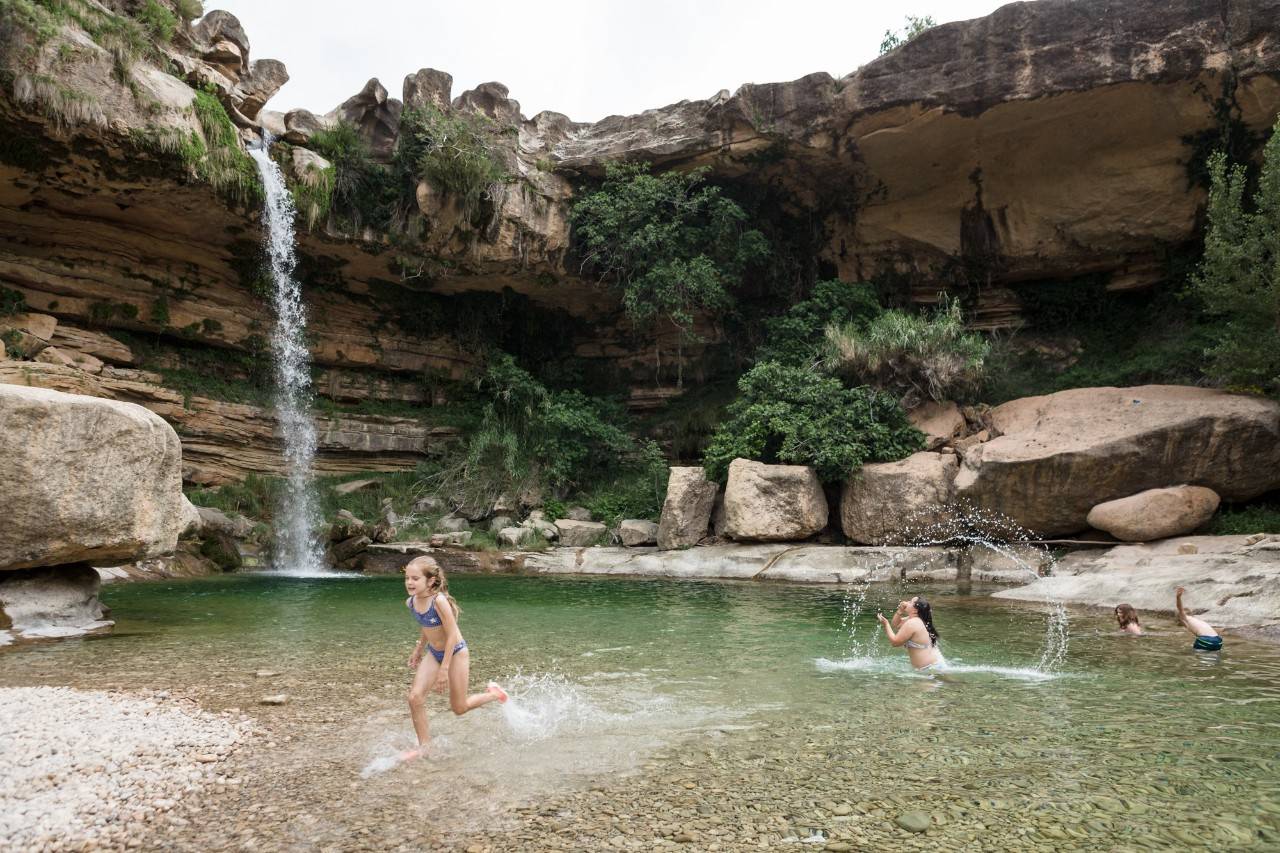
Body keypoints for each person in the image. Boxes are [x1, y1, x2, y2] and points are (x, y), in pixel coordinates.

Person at [403, 556, 507, 754]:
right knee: (415, 698)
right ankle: (424, 747)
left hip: (456, 652)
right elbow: (426, 627)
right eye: (407, 577)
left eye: (415, 578)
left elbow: (451, 635)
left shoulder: (439, 601)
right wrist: (418, 649)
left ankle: (495, 694)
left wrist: (444, 669)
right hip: (434, 653)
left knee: (459, 708)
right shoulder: (411, 602)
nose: (409, 582)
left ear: (430, 581)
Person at [876, 595, 941, 669]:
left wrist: (886, 624)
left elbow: (895, 642)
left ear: (915, 610)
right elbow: (896, 624)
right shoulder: (917, 619)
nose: (906, 602)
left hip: (931, 669)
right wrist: (900, 610)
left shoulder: (913, 623)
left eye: (910, 602)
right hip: (933, 666)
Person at [1174, 586, 1222, 651]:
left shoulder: (1187, 618)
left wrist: (1178, 597)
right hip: (1218, 641)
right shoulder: (1198, 621)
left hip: (1206, 640)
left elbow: (1180, 608)